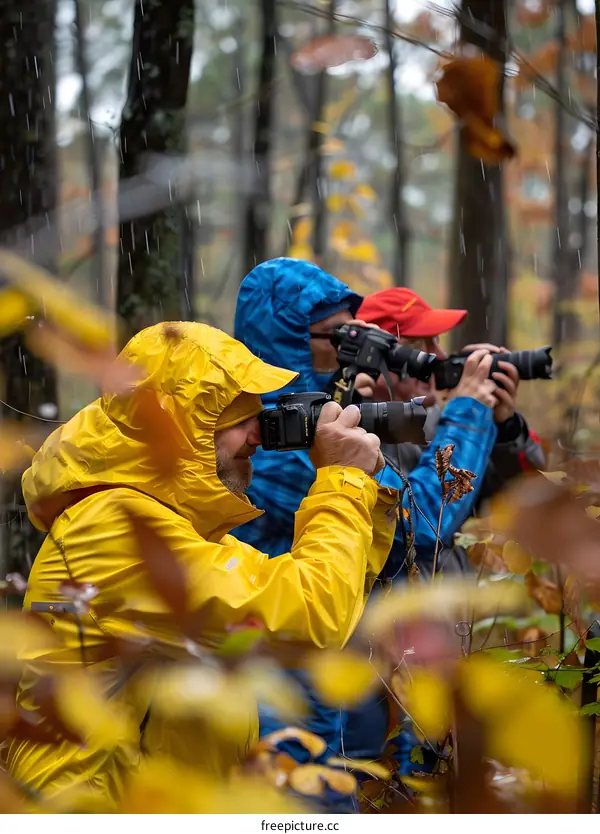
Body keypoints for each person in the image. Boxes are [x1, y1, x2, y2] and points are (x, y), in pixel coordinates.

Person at [5, 321, 398, 809]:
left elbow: (305, 614)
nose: (258, 434)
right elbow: (308, 619)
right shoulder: (114, 529)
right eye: (237, 418)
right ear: (182, 428)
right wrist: (341, 480)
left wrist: (367, 497)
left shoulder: (173, 527)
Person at [233, 258, 504, 804]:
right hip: (288, 665)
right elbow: (422, 521)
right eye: (338, 337)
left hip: (346, 660)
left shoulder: (322, 417)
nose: (350, 349)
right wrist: (469, 411)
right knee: (309, 803)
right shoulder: (274, 437)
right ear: (288, 342)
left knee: (359, 788)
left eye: (357, 335)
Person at [342, 286, 546, 781]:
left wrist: (503, 421)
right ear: (383, 355)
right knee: (382, 773)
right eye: (422, 345)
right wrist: (470, 412)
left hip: (444, 636)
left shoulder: (436, 424)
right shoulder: (351, 426)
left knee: (439, 769)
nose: (437, 359)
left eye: (439, 345)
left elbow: (530, 501)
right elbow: (425, 524)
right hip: (380, 647)